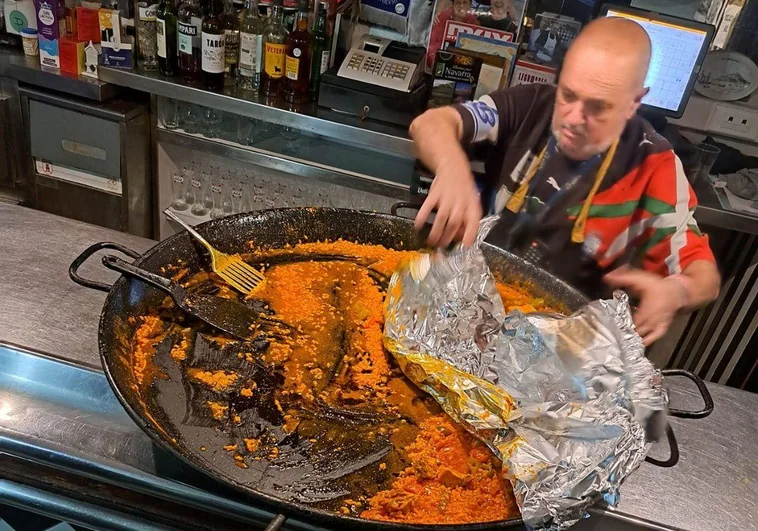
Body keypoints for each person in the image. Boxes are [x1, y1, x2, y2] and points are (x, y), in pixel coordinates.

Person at [409, 17, 720, 345]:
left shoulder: (654, 166)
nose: (572, 119)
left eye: (598, 108)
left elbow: (704, 276)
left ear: (634, 102)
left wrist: (676, 291)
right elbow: (431, 124)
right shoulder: (531, 106)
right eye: (568, 95)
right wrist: (452, 167)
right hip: (471, 310)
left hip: (562, 347)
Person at [426, 0, 479, 67]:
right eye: (458, 2)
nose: (461, 6)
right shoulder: (441, 18)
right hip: (440, 64)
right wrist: (434, 61)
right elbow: (432, 45)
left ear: (470, 5)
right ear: (453, 5)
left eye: (465, 2)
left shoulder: (475, 24)